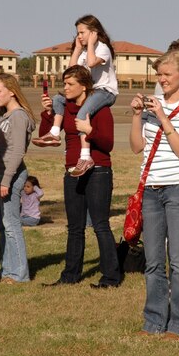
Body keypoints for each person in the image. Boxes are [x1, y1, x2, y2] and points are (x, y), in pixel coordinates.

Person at [130, 51, 179, 339]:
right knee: (152, 260)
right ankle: (153, 320)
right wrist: (139, 116)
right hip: (151, 188)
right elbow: (137, 147)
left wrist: (163, 117)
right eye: (159, 75)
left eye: (167, 75)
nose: (161, 80)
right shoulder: (151, 107)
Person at [40, 65, 121, 287]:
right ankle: (70, 276)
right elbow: (44, 136)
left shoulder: (101, 109)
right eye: (64, 83)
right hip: (72, 171)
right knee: (75, 227)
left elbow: (108, 144)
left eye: (70, 84)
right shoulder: (64, 109)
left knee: (100, 225)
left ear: (84, 86)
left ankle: (111, 277)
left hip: (98, 171)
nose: (65, 88)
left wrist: (89, 130)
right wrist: (48, 115)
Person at [34, 15, 118, 177]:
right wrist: (78, 49)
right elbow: (72, 72)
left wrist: (92, 43)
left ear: (94, 32)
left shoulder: (102, 48)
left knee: (81, 115)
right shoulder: (84, 51)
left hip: (104, 91)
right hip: (92, 91)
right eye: (77, 33)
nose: (79, 36)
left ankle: (85, 157)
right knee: (58, 99)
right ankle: (55, 133)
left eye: (82, 32)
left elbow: (92, 62)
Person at [0, 74, 36, 284]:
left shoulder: (18, 116)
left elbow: (18, 151)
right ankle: (8, 271)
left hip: (12, 175)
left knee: (11, 224)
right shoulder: (5, 115)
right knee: (2, 224)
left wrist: (7, 180)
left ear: (12, 91)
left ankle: (19, 274)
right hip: (0, 174)